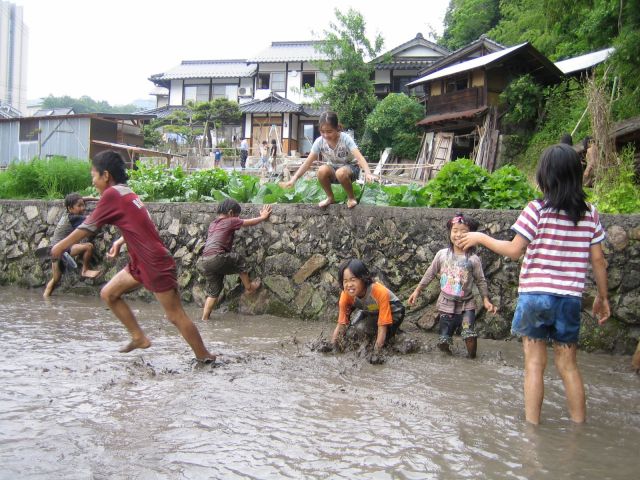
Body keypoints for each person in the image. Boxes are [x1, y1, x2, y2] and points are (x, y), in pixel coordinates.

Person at [459, 143, 610, 425]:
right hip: (569, 299)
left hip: (535, 297)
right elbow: (599, 261)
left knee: (534, 365)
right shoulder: (590, 213)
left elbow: (515, 250)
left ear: (545, 176)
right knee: (568, 366)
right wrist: (603, 296)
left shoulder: (536, 210)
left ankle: (532, 430)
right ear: (576, 176)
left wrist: (480, 238)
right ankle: (579, 427)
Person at [50, 150, 216, 362]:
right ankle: (139, 337)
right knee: (109, 294)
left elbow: (88, 226)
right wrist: (120, 241)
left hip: (153, 261)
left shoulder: (112, 194)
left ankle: (204, 357)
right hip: (141, 261)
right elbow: (139, 225)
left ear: (106, 175)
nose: (92, 181)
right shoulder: (126, 193)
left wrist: (59, 246)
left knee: (175, 315)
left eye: (93, 176)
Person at [408, 213, 497, 358]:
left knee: (469, 334)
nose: (458, 235)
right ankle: (448, 358)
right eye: (455, 231)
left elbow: (481, 280)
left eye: (464, 232)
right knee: (444, 340)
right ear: (450, 232)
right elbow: (430, 273)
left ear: (472, 236)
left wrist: (486, 300)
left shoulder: (473, 259)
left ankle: (472, 360)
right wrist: (417, 290)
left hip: (466, 304)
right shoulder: (442, 255)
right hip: (446, 303)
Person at [280, 111, 376, 209]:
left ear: (337, 128)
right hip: (333, 169)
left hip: (351, 170)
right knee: (321, 170)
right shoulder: (319, 142)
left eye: (329, 132)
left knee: (341, 172)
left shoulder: (345, 139)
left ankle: (351, 198)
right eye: (322, 132)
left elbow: (359, 157)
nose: (326, 135)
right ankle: (330, 197)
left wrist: (368, 173)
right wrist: (293, 179)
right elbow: (307, 163)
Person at [197, 199, 272, 320]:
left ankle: (204, 319)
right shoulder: (230, 220)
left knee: (213, 292)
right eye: (237, 215)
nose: (238, 218)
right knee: (238, 259)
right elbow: (248, 222)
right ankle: (249, 287)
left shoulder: (213, 224)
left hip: (204, 261)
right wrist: (263, 217)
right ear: (231, 213)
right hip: (217, 258)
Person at [331, 258, 405, 352]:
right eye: (345, 281)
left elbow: (382, 325)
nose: (349, 285)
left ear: (363, 278)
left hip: (395, 311)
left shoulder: (379, 291)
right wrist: (332, 346)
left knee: (382, 340)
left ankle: (397, 335)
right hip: (369, 310)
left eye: (353, 280)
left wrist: (376, 353)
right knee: (351, 333)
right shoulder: (345, 295)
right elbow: (341, 324)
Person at [43, 193, 101, 297]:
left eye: (83, 205)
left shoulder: (66, 212)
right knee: (88, 247)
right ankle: (85, 270)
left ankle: (46, 298)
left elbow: (80, 199)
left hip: (54, 250)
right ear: (70, 208)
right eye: (80, 206)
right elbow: (91, 219)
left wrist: (94, 198)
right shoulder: (74, 217)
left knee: (56, 278)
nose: (83, 208)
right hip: (62, 250)